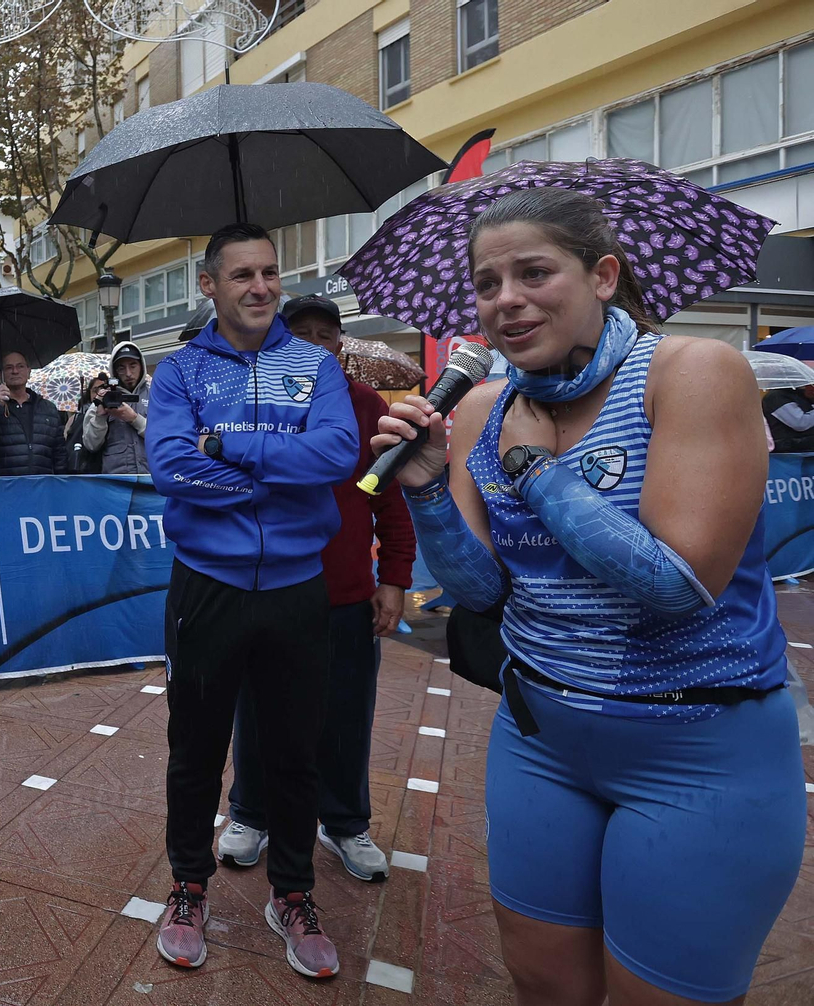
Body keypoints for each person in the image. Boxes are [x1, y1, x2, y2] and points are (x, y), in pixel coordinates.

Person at [374, 187, 805, 1006]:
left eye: (535, 272)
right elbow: (479, 590)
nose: (507, 299)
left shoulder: (693, 371)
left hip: (698, 747)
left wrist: (540, 474)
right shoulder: (478, 411)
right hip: (540, 735)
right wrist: (427, 490)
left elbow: (679, 587)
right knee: (543, 983)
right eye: (488, 282)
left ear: (602, 275)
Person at [144, 222, 358, 978]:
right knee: (195, 749)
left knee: (297, 750)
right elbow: (170, 468)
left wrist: (229, 447)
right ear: (210, 284)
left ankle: (292, 895)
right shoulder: (178, 373)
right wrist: (277, 475)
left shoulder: (315, 365)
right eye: (242, 275)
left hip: (300, 587)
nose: (261, 286)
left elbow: (337, 454)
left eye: (270, 272)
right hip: (209, 584)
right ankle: (187, 887)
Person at [218, 294, 415, 884]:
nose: (311, 345)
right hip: (265, 591)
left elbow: (390, 499)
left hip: (346, 596)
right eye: (295, 334)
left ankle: (346, 823)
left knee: (347, 713)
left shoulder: (366, 407)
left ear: (339, 345)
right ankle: (250, 814)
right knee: (255, 709)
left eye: (323, 335)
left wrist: (396, 581)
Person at [0, 350, 65, 475]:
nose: (15, 371)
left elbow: (59, 453)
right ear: (0, 375)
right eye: (9, 368)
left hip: (42, 486)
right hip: (4, 487)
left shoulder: (48, 408)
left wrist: (61, 483)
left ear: (29, 371)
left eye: (20, 366)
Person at [82, 340, 152, 473]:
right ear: (114, 370)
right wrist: (100, 418)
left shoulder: (156, 397)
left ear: (141, 366)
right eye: (121, 368)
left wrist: (134, 419)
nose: (128, 374)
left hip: (151, 479)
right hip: (116, 482)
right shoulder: (102, 399)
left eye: (133, 366)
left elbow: (165, 438)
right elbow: (91, 445)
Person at [62, 372, 108, 474]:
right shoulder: (77, 417)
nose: (100, 393)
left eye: (104, 389)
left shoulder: (116, 413)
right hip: (82, 467)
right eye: (96, 390)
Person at [762, 383, 814, 453]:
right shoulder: (777, 396)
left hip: (806, 448)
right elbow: (800, 423)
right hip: (789, 452)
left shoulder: (799, 394)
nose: (810, 387)